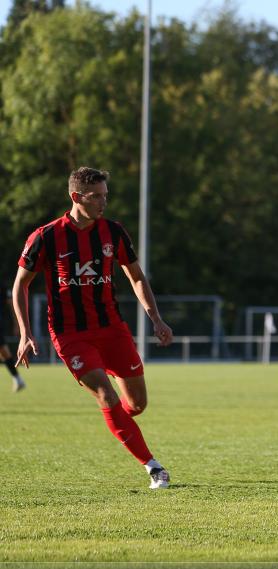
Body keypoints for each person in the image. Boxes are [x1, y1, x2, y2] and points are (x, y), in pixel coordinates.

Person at [13, 167, 173, 489]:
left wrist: (155, 318)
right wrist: (25, 333)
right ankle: (154, 467)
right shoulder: (45, 237)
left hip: (111, 327)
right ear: (76, 197)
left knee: (137, 405)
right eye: (96, 196)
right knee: (104, 391)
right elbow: (20, 286)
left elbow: (136, 276)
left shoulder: (113, 232)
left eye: (105, 195)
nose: (104, 202)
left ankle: (117, 416)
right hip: (70, 333)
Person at [1, 281, 26, 391]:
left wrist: (17, 324)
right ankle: (17, 379)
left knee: (3, 351)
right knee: (3, 351)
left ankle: (17, 379)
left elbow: (11, 304)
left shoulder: (2, 286)